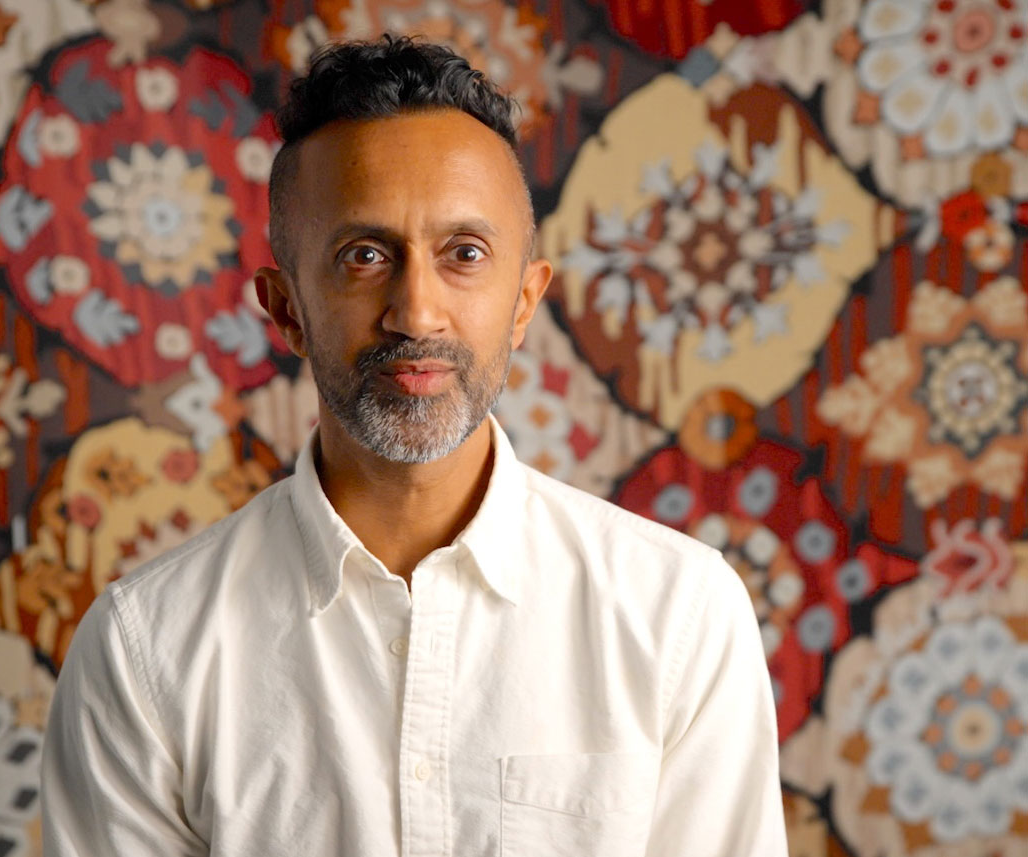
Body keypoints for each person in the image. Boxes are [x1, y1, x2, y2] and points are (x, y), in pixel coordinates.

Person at [41, 35, 787, 856]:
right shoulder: (147, 648)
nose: (417, 311)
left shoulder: (677, 613)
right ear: (285, 309)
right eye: (364, 255)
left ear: (523, 301)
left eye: (463, 254)